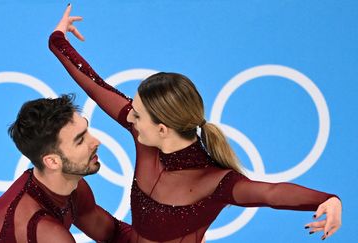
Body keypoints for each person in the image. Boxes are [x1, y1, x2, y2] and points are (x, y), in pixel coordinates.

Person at [49, 5, 342, 243]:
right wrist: (57, 41)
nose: (128, 116)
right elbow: (95, 85)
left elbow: (271, 193)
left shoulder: (215, 182)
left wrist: (328, 199)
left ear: (162, 129)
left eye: (137, 115)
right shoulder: (145, 134)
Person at [0, 94, 131, 242]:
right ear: (52, 162)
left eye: (87, 131)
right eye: (80, 140)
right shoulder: (44, 232)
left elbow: (113, 233)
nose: (96, 142)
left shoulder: (73, 190)